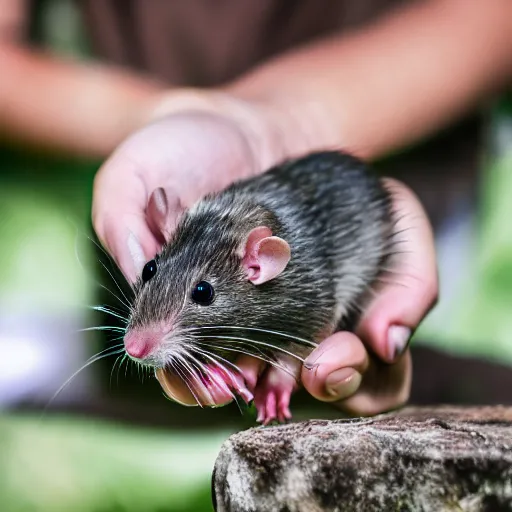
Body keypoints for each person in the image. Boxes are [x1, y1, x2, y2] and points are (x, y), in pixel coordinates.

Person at [1, 0, 511, 415]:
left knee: (359, 363)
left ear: (260, 263)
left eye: (200, 293)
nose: (138, 342)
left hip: (430, 187)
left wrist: (274, 123)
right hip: (228, 162)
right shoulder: (199, 220)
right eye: (152, 268)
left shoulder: (285, 272)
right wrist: (172, 115)